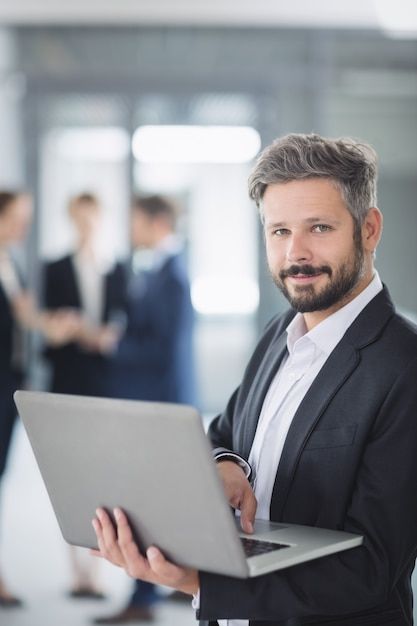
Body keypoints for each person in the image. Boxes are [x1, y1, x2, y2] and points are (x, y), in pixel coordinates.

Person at [90, 133, 417, 626]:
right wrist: (225, 464)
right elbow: (224, 433)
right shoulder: (277, 336)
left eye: (320, 227)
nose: (296, 254)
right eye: (279, 231)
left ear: (369, 229)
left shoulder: (404, 363)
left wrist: (202, 584)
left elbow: (371, 568)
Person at [93, 194, 196, 624]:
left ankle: (144, 599)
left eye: (135, 220)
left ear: (155, 222)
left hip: (159, 405)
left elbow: (163, 350)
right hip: (150, 401)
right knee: (160, 501)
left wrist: (110, 344)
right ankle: (170, 584)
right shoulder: (155, 268)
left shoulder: (171, 275)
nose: (130, 229)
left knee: (144, 502)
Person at [43, 192, 127, 599]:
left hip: (108, 383)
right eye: (79, 219)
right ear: (70, 220)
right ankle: (76, 571)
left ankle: (99, 572)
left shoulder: (117, 269)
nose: (86, 226)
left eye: (92, 219)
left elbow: (126, 324)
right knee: (70, 476)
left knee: (105, 474)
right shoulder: (55, 268)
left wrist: (105, 337)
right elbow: (47, 329)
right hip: (68, 380)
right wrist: (69, 331)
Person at [0, 190, 79, 608]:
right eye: (18, 217)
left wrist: (53, 325)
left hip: (9, 380)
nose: (24, 225)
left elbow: (24, 317)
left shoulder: (11, 262)